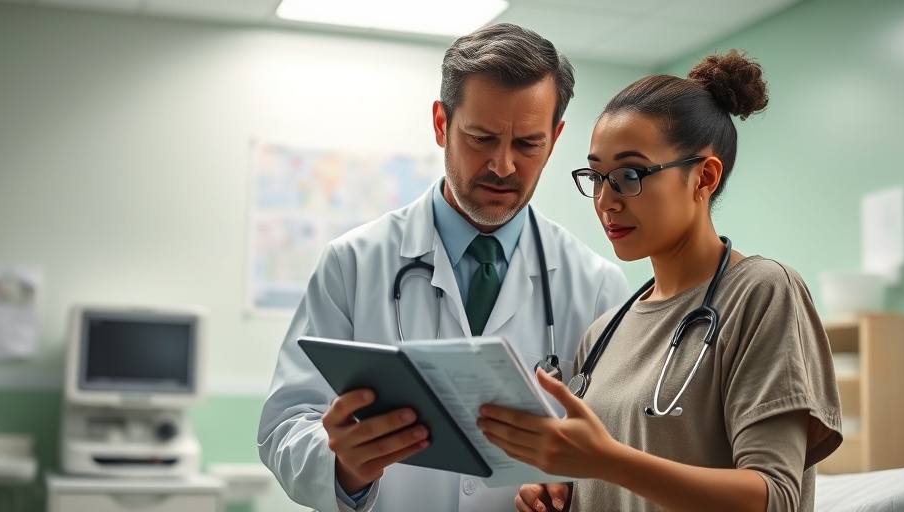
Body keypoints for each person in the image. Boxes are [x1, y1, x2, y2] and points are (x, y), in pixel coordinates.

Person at [257, 23, 631, 512]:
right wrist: (343, 466)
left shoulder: (598, 286)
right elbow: (284, 424)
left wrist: (569, 490)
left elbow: (614, 454)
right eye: (481, 138)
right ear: (441, 124)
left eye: (527, 145)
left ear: (556, 138)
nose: (502, 165)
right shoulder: (351, 264)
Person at [477, 50, 843, 512]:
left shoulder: (762, 293)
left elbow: (774, 498)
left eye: (630, 175)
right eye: (597, 176)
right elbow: (615, 478)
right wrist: (563, 493)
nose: (606, 201)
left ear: (704, 177)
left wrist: (609, 463)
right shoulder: (603, 332)